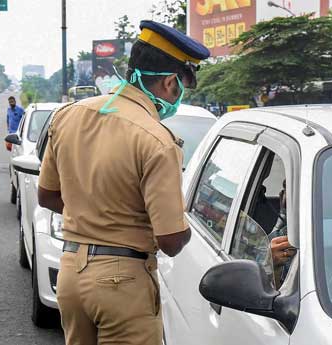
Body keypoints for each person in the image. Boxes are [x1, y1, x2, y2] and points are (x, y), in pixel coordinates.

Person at [37, 20, 209, 345]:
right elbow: (170, 240)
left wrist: (93, 211)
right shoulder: (158, 140)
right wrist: (188, 228)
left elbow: (47, 196)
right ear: (171, 83)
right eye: (182, 88)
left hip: (72, 273)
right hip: (122, 283)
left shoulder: (68, 116)